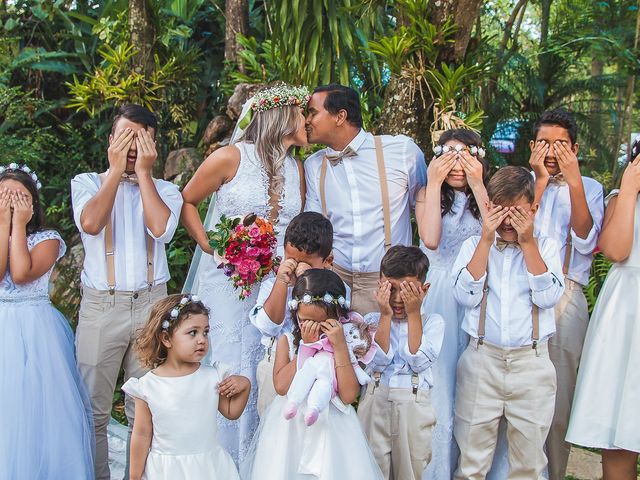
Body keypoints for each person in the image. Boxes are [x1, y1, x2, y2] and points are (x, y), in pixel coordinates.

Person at [181, 84, 309, 462]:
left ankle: (258, 462)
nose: (307, 122)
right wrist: (210, 246)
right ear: (282, 116)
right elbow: (187, 200)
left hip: (275, 286)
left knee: (263, 368)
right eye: (302, 114)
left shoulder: (297, 168)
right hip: (228, 285)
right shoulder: (230, 156)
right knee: (229, 367)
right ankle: (220, 462)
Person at [71, 104, 183, 480]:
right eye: (125, 137)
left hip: (153, 306)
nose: (133, 146)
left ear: (154, 142)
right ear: (110, 141)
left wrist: (144, 174)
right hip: (102, 308)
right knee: (93, 411)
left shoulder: (166, 190)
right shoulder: (86, 183)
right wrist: (117, 172)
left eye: (141, 138)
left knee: (145, 409)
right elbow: (90, 223)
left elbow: (160, 230)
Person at [452, 166, 564, 479]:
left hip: (532, 363)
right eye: (500, 211)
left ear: (534, 209)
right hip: (481, 360)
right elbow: (464, 296)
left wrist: (529, 244)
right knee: (471, 461)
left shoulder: (547, 248)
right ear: (489, 210)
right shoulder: (473, 248)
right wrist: (486, 241)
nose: (508, 221)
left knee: (528, 463)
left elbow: (548, 297)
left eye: (518, 213)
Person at [241, 269, 383, 480]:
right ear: (295, 314)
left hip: (333, 429)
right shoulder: (287, 341)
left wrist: (340, 347)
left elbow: (348, 395)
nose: (314, 328)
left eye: (323, 322)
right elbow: (281, 387)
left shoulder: (349, 344)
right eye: (305, 321)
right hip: (291, 429)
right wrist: (306, 348)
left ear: (339, 317)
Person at [0, 164, 94, 479]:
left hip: (38, 330)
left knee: (39, 407)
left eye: (20, 197)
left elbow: (22, 273)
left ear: (33, 204)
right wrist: (4, 225)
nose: (12, 203)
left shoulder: (48, 238)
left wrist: (18, 226)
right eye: (5, 197)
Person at [304, 83, 426, 315]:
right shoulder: (313, 165)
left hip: (388, 283)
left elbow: (423, 210)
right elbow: (314, 226)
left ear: (340, 116)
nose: (306, 121)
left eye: (312, 113)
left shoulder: (402, 151)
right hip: (335, 280)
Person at [415, 129, 489, 479]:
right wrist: (433, 181)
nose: (457, 164)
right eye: (450, 154)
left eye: (467, 154)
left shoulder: (485, 195)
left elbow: (495, 229)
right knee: (441, 385)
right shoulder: (426, 195)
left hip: (477, 293)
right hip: (439, 294)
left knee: (475, 385)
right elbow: (430, 239)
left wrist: (477, 184)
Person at [566, 153, 640, 479]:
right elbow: (615, 251)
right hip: (625, 313)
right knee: (619, 429)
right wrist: (629, 188)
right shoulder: (620, 199)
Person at [122, 294, 249, 480]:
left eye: (205, 332)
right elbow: (141, 434)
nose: (202, 340)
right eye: (193, 332)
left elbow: (231, 412)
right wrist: (135, 476)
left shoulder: (212, 376)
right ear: (166, 339)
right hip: (167, 470)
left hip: (209, 468)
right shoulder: (148, 386)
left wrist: (245, 385)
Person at [358, 245, 444, 480]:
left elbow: (417, 360)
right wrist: (385, 316)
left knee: (410, 469)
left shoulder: (432, 323)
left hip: (413, 405)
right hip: (376, 400)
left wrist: (414, 313)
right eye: (391, 289)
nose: (397, 299)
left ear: (424, 290)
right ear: (380, 285)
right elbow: (375, 360)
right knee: (372, 469)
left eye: (406, 291)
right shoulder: (372, 320)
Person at [249, 211, 345, 415]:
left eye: (307, 264)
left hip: (318, 370)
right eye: (290, 259)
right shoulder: (273, 285)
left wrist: (308, 282)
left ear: (328, 260)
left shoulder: (335, 288)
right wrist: (282, 283)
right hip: (276, 365)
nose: (295, 267)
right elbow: (268, 327)